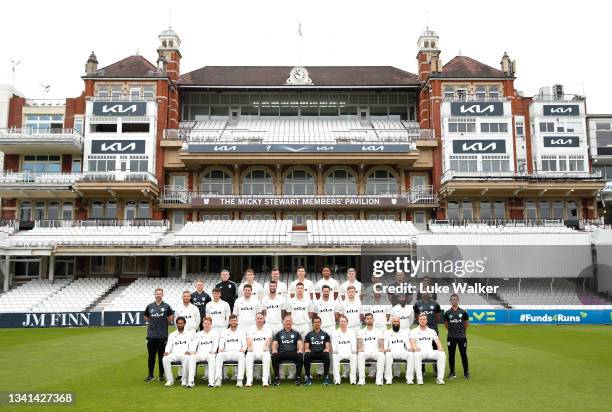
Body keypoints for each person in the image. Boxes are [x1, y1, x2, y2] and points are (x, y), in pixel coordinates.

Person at [144, 288, 174, 382]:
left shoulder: (166, 306)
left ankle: (161, 375)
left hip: (162, 335)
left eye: (160, 294)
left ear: (162, 295)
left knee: (162, 356)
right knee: (151, 356)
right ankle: (151, 375)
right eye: (157, 294)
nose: (158, 295)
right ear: (154, 295)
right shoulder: (150, 306)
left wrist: (163, 323)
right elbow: (146, 316)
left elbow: (170, 318)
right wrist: (152, 322)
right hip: (151, 335)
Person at [411, 313, 446, 385]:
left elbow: (437, 341)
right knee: (417, 355)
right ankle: (419, 379)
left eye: (424, 319)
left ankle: (440, 379)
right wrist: (415, 348)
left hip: (430, 351)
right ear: (418, 320)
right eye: (421, 319)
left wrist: (440, 348)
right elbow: (412, 343)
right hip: (420, 352)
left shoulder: (432, 331)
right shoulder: (413, 331)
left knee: (442, 354)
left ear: (427, 320)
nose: (422, 321)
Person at [271, 315, 304, 386]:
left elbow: (300, 342)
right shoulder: (279, 333)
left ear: (292, 322)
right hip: (282, 353)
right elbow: (274, 343)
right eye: (286, 321)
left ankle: (298, 378)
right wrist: (274, 350)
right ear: (283, 322)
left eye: (289, 321)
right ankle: (277, 378)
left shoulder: (296, 333)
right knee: (274, 356)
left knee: (300, 355)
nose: (288, 322)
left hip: (293, 353)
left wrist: (300, 349)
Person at [215, 314, 246, 387]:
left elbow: (244, 344)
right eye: (232, 321)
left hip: (237, 352)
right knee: (219, 355)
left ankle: (239, 380)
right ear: (229, 322)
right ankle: (218, 379)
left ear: (237, 321)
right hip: (227, 352)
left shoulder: (242, 332)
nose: (233, 322)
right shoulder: (224, 332)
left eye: (235, 320)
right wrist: (220, 348)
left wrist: (243, 349)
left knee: (242, 356)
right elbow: (221, 343)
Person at [162, 317, 194, 387]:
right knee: (165, 358)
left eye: (181, 323)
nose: (180, 325)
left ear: (184, 324)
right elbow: (169, 345)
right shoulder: (172, 334)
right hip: (174, 354)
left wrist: (189, 351)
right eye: (178, 323)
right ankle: (170, 380)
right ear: (176, 324)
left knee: (186, 358)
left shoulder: (189, 334)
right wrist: (167, 352)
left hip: (184, 354)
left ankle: (184, 380)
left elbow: (192, 345)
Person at [444, 293, 470, 380]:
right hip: (451, 337)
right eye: (452, 299)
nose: (454, 301)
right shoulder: (447, 313)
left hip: (462, 337)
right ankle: (452, 372)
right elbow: (446, 324)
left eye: (456, 299)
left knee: (463, 355)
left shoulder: (463, 312)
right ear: (450, 301)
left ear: (458, 301)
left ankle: (466, 373)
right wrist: (452, 331)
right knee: (451, 355)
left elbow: (466, 324)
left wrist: (461, 331)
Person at [187, 317, 218, 388]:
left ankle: (211, 381)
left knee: (212, 357)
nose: (207, 325)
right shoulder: (198, 334)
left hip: (209, 354)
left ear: (211, 324)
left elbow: (215, 345)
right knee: (192, 357)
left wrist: (213, 351)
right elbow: (194, 344)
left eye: (208, 324)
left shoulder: (215, 334)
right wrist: (192, 351)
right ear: (202, 324)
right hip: (200, 354)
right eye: (205, 323)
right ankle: (191, 381)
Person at [383, 316, 414, 385]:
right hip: (392, 352)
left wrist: (409, 348)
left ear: (399, 323)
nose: (396, 323)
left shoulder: (404, 332)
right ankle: (388, 379)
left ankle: (409, 379)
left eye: (397, 321)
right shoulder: (387, 332)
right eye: (394, 321)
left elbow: (407, 344)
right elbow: (385, 344)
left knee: (411, 354)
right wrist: (386, 348)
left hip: (402, 351)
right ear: (391, 323)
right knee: (387, 355)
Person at [303, 315, 332, 386]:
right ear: (312, 324)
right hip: (312, 352)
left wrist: (327, 349)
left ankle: (326, 377)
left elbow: (328, 347)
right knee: (306, 355)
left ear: (321, 323)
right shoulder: (309, 335)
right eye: (315, 322)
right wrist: (307, 349)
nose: (317, 323)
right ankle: (308, 377)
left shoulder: (325, 334)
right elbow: (306, 347)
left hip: (322, 352)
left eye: (318, 322)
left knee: (326, 355)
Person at [357, 313, 385, 386]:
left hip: (375, 352)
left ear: (373, 320)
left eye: (370, 318)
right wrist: (360, 349)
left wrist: (381, 348)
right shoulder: (361, 331)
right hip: (365, 352)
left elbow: (381, 344)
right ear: (365, 320)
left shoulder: (379, 331)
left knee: (381, 355)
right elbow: (359, 345)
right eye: (367, 319)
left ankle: (378, 379)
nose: (369, 320)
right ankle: (361, 379)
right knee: (360, 354)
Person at [245, 313, 272, 387]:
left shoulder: (268, 329)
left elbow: (268, 340)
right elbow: (249, 340)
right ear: (255, 319)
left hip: (263, 351)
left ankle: (265, 381)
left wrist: (266, 347)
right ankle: (249, 380)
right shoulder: (251, 329)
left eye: (261, 318)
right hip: (253, 351)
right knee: (249, 354)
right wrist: (250, 348)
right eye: (258, 318)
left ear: (264, 319)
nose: (259, 320)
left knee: (266, 354)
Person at [332, 316, 357, 385]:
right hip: (339, 352)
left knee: (354, 356)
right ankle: (337, 379)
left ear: (347, 322)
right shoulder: (335, 332)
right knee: (335, 356)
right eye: (341, 321)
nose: (343, 323)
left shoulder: (351, 332)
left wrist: (354, 350)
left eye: (344, 321)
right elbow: (334, 343)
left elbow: (353, 343)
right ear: (339, 323)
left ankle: (353, 379)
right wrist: (335, 350)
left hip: (349, 352)